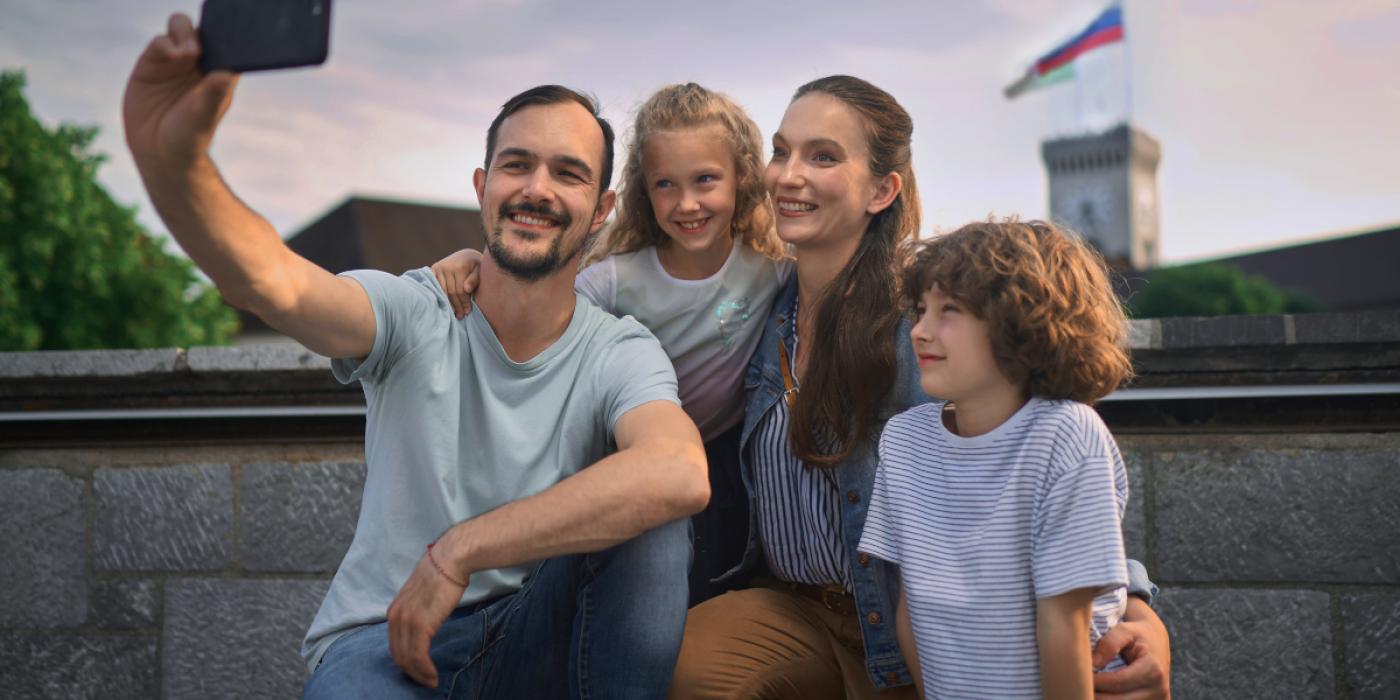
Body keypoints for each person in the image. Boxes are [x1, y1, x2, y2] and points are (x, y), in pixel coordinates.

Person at [123, 14, 709, 699]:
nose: (537, 189)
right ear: (482, 185)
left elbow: (678, 471)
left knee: (653, 519)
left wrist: (461, 551)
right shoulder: (415, 310)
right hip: (384, 648)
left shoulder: (618, 349)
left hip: (539, 642)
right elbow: (269, 280)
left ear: (603, 206)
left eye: (568, 173)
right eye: (517, 165)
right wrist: (175, 165)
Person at [669, 76, 1171, 699]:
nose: (788, 175)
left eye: (822, 156)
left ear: (882, 190)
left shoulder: (927, 322)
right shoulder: (756, 310)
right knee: (681, 670)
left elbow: (1048, 451)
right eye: (781, 151)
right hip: (792, 608)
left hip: (920, 624)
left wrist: (1138, 606)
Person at [431, 82, 789, 605]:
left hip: (722, 466)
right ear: (644, 191)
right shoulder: (615, 281)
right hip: (619, 456)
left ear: (743, 180)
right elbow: (536, 303)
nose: (687, 203)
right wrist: (471, 261)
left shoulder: (770, 275)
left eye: (706, 180)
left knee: (706, 603)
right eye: (666, 184)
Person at [859, 219, 1138, 699]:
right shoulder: (903, 441)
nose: (920, 331)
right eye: (920, 309)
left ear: (1020, 324)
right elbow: (912, 610)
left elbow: (1064, 624)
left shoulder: (1066, 436)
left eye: (948, 310)